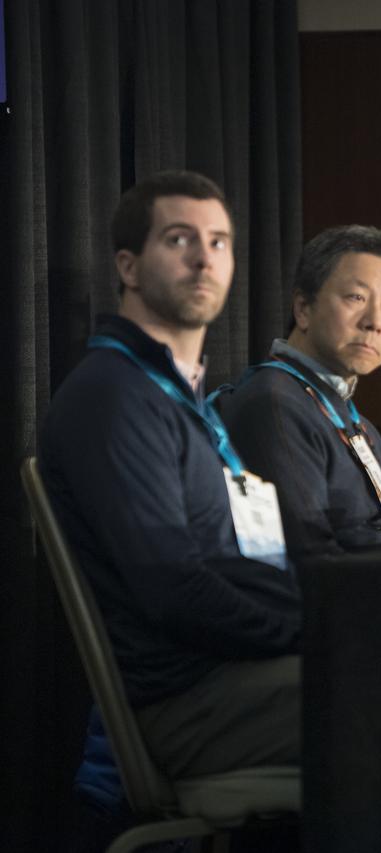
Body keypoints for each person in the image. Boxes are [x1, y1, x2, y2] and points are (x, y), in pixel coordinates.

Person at [38, 171, 300, 839]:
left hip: (235, 678)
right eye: (179, 239)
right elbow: (173, 590)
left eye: (219, 241)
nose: (204, 257)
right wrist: (313, 629)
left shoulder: (179, 399)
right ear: (127, 264)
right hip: (190, 700)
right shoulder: (114, 394)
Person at [218, 225, 381, 558]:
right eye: (356, 297)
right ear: (303, 308)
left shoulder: (358, 423)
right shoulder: (273, 404)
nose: (374, 322)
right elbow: (309, 556)